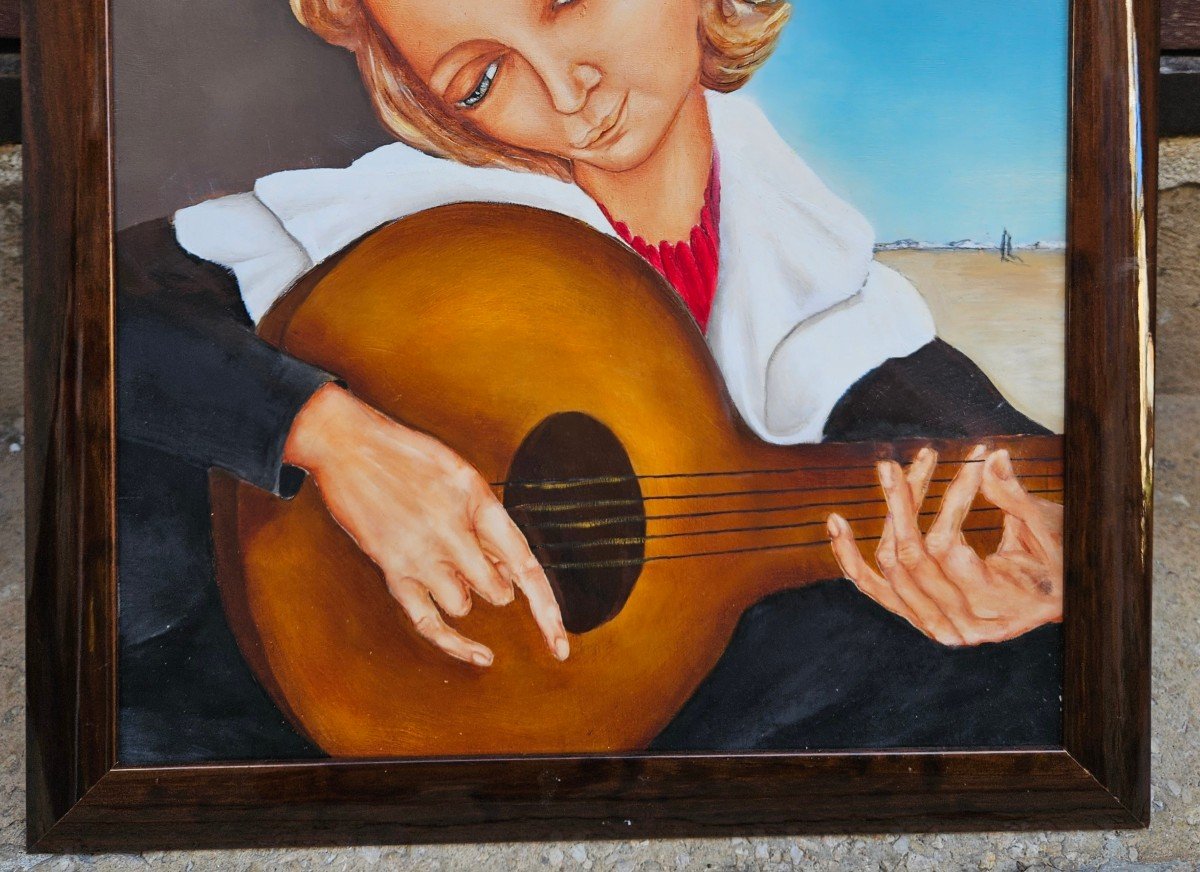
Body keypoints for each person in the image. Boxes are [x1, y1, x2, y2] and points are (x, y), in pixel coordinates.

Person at [116, 0, 1064, 763]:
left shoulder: (824, 285)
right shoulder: (401, 230)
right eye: (482, 78)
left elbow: (1038, 479)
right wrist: (327, 433)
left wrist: (1052, 573)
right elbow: (92, 317)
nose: (566, 90)